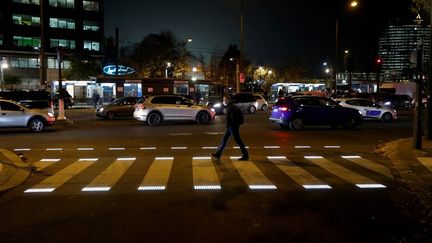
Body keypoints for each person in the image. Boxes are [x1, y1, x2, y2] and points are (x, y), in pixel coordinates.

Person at [211, 95, 249, 161]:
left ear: (228, 100)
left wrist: (232, 125)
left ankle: (245, 155)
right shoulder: (231, 107)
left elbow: (234, 118)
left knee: (238, 141)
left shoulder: (231, 107)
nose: (223, 101)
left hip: (232, 127)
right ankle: (218, 154)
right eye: (223, 100)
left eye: (224, 100)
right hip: (230, 127)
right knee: (224, 140)